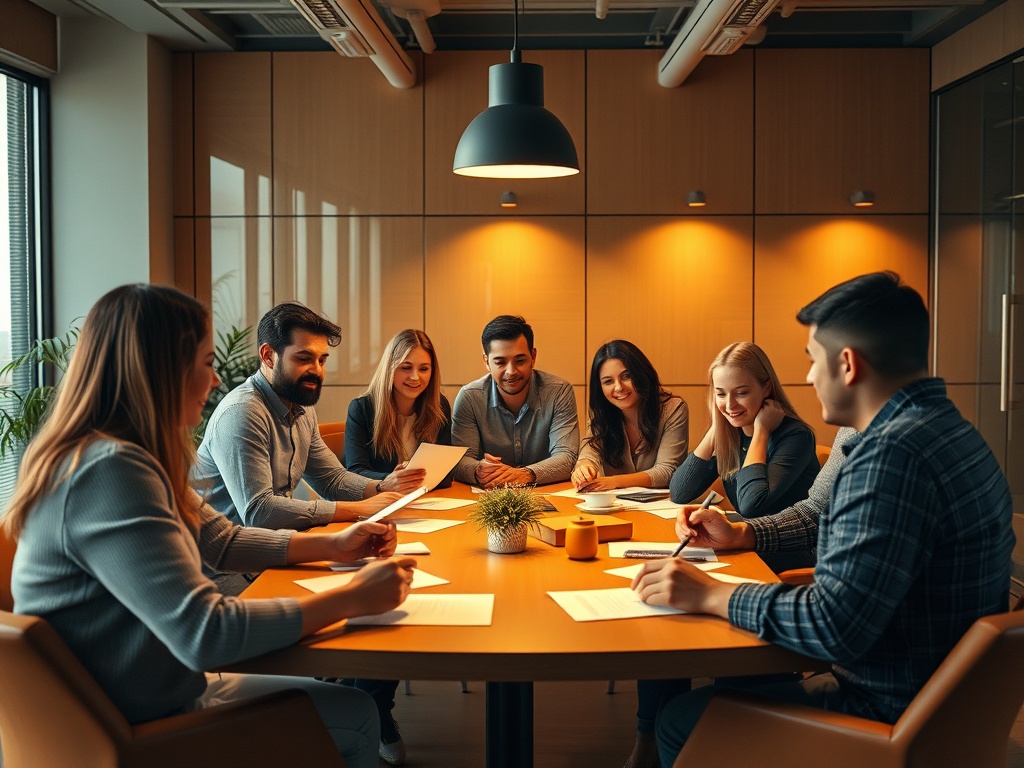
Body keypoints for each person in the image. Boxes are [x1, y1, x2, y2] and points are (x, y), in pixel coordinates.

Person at [4, 284, 417, 768]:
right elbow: (205, 632)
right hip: (136, 723)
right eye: (204, 362)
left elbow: (220, 540)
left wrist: (339, 546)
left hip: (146, 690)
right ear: (160, 370)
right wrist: (352, 599)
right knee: (358, 714)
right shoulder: (111, 470)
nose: (216, 375)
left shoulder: (121, 454)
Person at [633, 272, 1014, 767]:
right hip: (943, 704)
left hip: (892, 713)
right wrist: (744, 532)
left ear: (848, 364)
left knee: (680, 721)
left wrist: (709, 593)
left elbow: (834, 625)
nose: (810, 377)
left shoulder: (891, 457)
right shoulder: (942, 430)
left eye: (813, 360)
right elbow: (818, 514)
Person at [191, 302, 417, 765]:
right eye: (304, 358)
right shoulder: (243, 413)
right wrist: (356, 511)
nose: (316, 370)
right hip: (224, 575)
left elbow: (331, 478)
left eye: (321, 359)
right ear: (268, 356)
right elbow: (258, 512)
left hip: (263, 555)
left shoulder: (298, 408)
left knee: (373, 600)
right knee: (355, 612)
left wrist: (380, 487)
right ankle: (340, 711)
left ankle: (345, 705)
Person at [668, 341, 819, 572]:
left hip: (787, 550)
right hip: (745, 542)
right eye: (721, 394)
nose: (730, 404)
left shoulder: (796, 436)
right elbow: (680, 492)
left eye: (741, 393)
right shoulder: (732, 433)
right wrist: (717, 428)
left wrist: (761, 432)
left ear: (767, 388)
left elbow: (752, 505)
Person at [452, 315, 579, 487]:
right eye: (500, 362)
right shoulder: (470, 397)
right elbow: (460, 460)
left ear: (533, 357)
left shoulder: (559, 392)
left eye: (520, 361)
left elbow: (566, 456)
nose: (511, 371)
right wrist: (478, 469)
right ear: (486, 362)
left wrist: (524, 475)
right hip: (487, 499)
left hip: (548, 494)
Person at [571, 339, 688, 492]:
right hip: (614, 508)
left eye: (626, 376)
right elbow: (590, 451)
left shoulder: (673, 409)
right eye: (608, 381)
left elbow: (666, 471)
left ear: (641, 373)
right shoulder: (601, 413)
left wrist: (614, 482)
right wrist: (583, 467)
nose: (618, 387)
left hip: (662, 507)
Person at [345, 328, 452, 487]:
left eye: (423, 369)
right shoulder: (361, 409)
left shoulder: (439, 406)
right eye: (405, 367)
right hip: (379, 502)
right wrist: (391, 480)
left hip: (426, 502)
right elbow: (355, 472)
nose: (415, 377)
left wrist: (409, 479)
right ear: (390, 369)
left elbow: (446, 475)